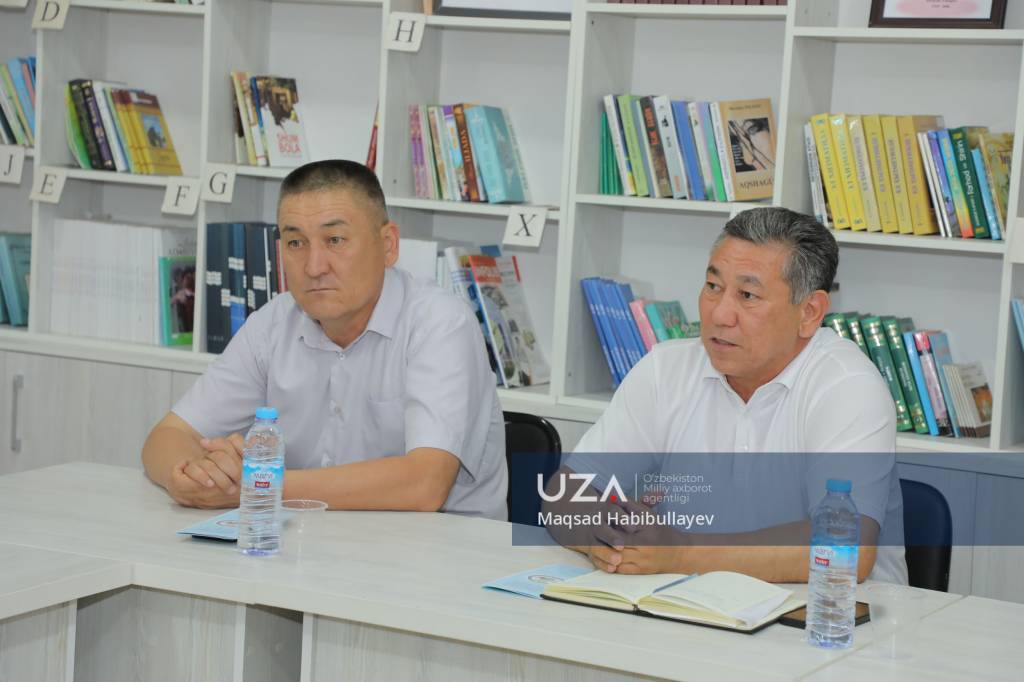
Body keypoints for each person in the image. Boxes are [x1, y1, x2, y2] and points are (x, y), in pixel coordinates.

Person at [544, 207, 906, 584]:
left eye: (748, 295)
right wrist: (607, 538)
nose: (720, 314)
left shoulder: (847, 386)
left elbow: (844, 550)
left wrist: (681, 553)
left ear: (810, 312)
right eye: (713, 287)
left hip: (834, 614)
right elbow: (564, 494)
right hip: (689, 603)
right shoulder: (665, 370)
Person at [142, 160, 507, 519]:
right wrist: (193, 477)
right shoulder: (273, 323)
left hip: (442, 549)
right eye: (296, 242)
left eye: (335, 240)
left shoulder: (440, 323)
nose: (314, 266)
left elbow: (424, 484)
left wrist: (259, 484)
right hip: (312, 538)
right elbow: (167, 436)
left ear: (388, 245)